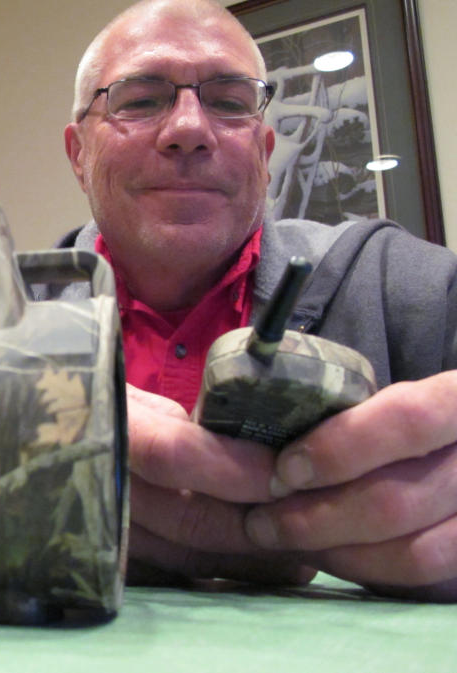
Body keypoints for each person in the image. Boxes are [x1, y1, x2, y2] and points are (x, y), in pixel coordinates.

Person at [58, 0, 457, 599]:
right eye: (139, 99)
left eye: (228, 102)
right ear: (78, 155)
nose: (189, 128)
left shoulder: (412, 288)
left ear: (266, 154)